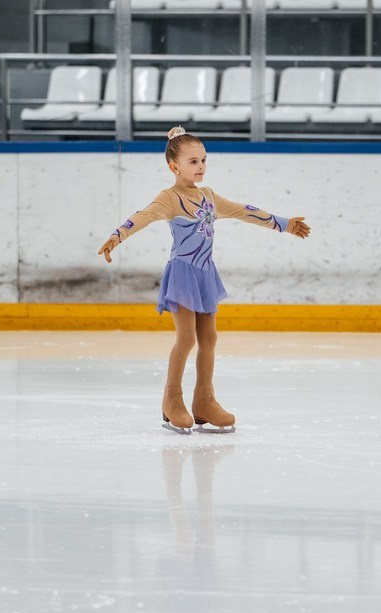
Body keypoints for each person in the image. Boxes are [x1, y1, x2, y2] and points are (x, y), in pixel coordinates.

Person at [98, 126, 311, 434]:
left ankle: (204, 400)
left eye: (203, 160)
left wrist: (284, 224)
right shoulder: (169, 198)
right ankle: (172, 400)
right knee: (186, 339)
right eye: (193, 161)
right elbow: (141, 216)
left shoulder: (209, 196)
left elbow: (243, 211)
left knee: (209, 339)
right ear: (174, 167)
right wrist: (115, 238)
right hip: (183, 272)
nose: (201, 167)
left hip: (205, 272)